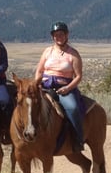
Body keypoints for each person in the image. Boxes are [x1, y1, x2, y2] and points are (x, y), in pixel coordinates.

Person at [34, 22, 85, 150]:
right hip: (46, 86)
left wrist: (68, 88)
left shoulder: (73, 54)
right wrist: (36, 84)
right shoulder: (47, 51)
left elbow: (78, 76)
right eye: (56, 35)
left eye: (61, 34)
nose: (59, 37)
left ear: (66, 35)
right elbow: (39, 71)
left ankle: (78, 139)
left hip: (65, 88)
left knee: (72, 108)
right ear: (53, 37)